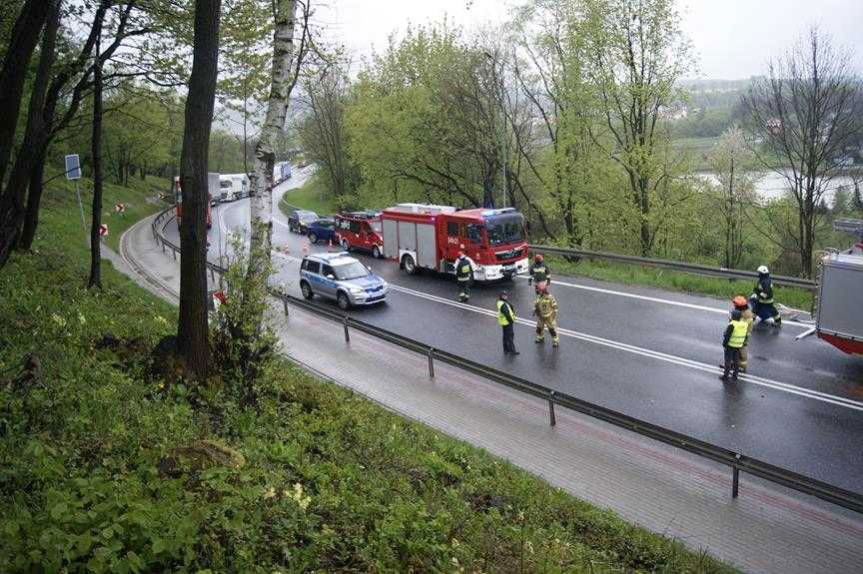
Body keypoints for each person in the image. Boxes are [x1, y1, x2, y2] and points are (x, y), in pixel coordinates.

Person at [721, 309, 749, 381]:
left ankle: (725, 376)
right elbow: (745, 336)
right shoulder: (744, 324)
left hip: (730, 345)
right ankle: (735, 376)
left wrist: (724, 344)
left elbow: (727, 336)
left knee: (728, 361)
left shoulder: (732, 324)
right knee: (736, 361)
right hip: (738, 346)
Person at [732, 295, 754, 372]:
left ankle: (742, 366)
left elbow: (741, 325)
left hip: (743, 335)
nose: (734, 306)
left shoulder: (746, 315)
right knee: (734, 349)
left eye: (735, 305)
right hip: (738, 334)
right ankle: (733, 363)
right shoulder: (742, 312)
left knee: (741, 349)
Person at [497, 291, 519, 355]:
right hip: (507, 322)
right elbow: (506, 313)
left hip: (504, 322)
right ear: (501, 296)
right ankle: (512, 351)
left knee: (505, 336)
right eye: (504, 295)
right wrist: (511, 320)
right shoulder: (503, 304)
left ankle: (506, 349)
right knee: (510, 336)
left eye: (506, 295)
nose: (506, 296)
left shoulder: (501, 302)